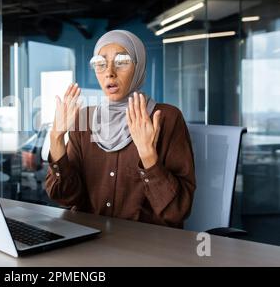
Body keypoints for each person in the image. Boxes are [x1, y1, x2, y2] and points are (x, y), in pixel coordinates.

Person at [45, 30, 195, 228]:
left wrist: (148, 156)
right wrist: (56, 138)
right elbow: (67, 197)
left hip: (147, 247)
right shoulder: (84, 118)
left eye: (122, 61)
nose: (109, 72)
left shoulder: (166, 118)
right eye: (100, 63)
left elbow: (177, 211)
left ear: (138, 67)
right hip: (89, 240)